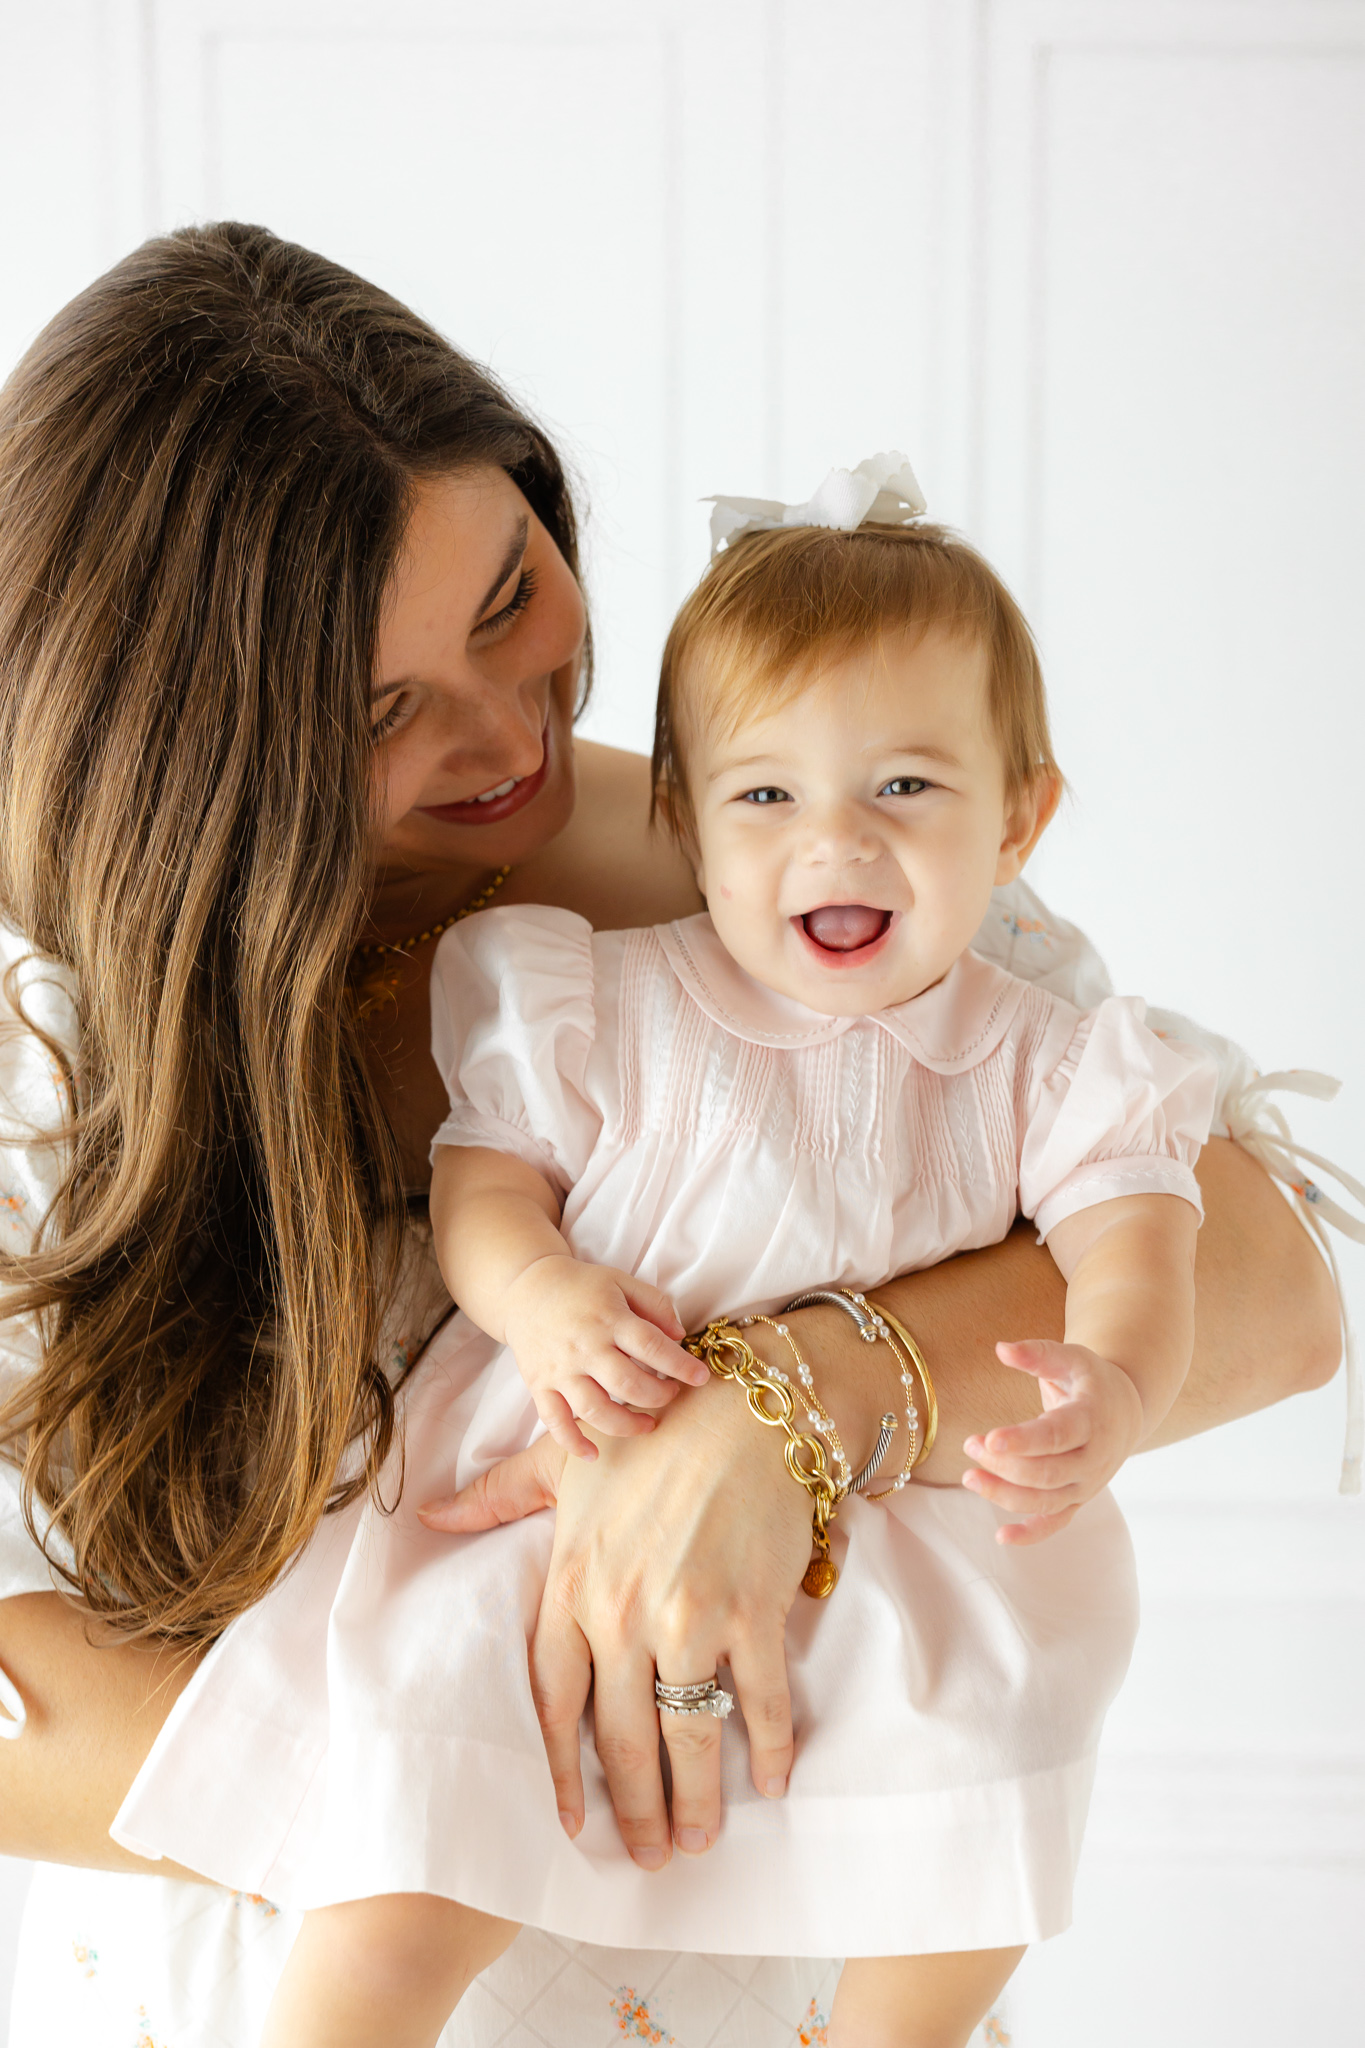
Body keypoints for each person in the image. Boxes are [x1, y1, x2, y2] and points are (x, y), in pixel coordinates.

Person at [0, 228, 1343, 2048]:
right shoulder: (51, 1042)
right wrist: (495, 1695)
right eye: (378, 711)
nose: (506, 731)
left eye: (510, 599)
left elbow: (1262, 1282)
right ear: (194, 754)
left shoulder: (772, 848)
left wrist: (777, 1414)